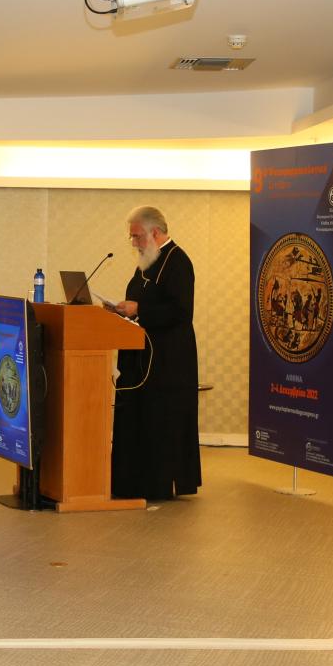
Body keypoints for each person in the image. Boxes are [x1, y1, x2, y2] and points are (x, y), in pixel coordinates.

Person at [109, 205, 201, 500]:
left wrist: (139, 309)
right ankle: (131, 482)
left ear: (155, 232)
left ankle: (157, 484)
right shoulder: (147, 262)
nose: (134, 242)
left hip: (168, 361)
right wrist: (122, 310)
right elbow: (140, 298)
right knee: (138, 417)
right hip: (141, 356)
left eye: (137, 236)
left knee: (160, 421)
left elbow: (181, 311)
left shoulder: (178, 262)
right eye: (132, 237)